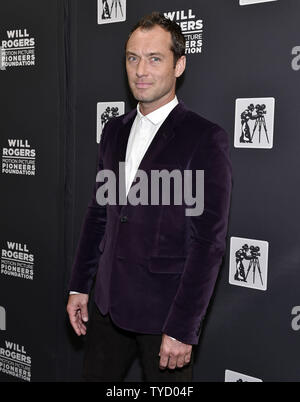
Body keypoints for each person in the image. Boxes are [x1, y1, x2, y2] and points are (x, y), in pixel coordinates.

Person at [67, 11, 232, 382]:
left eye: (155, 58)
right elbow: (99, 215)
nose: (141, 69)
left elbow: (208, 243)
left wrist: (183, 327)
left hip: (165, 318)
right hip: (107, 307)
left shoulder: (204, 138)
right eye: (132, 58)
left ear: (179, 65)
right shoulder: (113, 131)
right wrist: (80, 286)